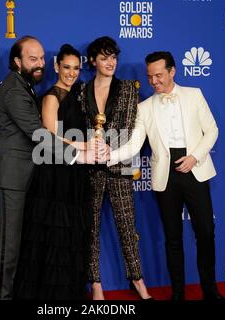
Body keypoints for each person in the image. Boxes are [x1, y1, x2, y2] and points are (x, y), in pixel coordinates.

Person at [106, 51, 225, 300]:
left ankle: (210, 292)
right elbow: (134, 145)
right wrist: (108, 156)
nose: (154, 81)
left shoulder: (194, 95)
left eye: (159, 75)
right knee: (172, 238)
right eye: (150, 77)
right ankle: (178, 293)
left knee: (205, 232)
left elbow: (212, 130)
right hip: (165, 176)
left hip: (195, 169)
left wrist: (195, 157)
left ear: (172, 71)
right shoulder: (145, 107)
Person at [0, 36, 94, 300]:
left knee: (15, 251)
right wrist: (80, 156)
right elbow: (38, 134)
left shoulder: (26, 85)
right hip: (9, 177)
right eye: (33, 59)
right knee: (7, 253)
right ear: (16, 61)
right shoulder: (14, 90)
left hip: (23, 178)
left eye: (42, 58)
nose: (40, 63)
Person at [13, 44, 92, 300]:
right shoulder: (51, 96)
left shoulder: (79, 95)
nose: (71, 73)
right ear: (57, 67)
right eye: (66, 67)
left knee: (71, 236)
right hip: (54, 175)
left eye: (76, 68)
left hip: (75, 174)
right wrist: (85, 146)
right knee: (53, 235)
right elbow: (49, 137)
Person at [77, 36, 152, 300]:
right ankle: (95, 283)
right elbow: (79, 130)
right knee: (91, 228)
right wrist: (90, 150)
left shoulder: (129, 89)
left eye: (114, 57)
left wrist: (112, 151)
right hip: (90, 169)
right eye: (104, 57)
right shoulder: (81, 90)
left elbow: (132, 129)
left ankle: (138, 280)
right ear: (93, 60)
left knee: (127, 227)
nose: (110, 62)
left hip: (120, 165)